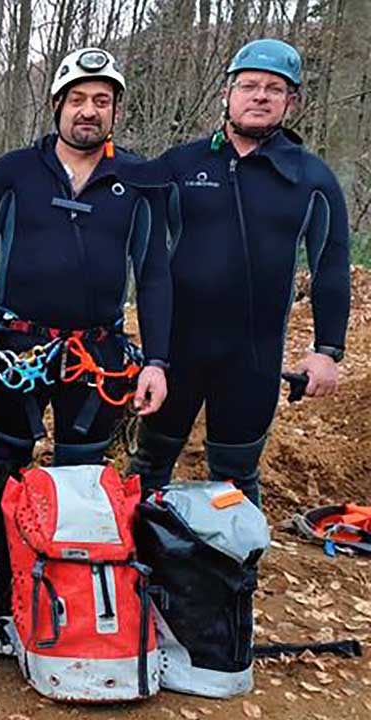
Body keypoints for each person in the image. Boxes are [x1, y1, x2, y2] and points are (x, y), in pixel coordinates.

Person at [0, 47, 171, 621]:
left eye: (101, 101)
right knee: (6, 459)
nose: (88, 111)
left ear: (116, 111)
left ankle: (70, 584)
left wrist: (157, 361)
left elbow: (154, 274)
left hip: (97, 354)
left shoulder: (140, 179)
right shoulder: (13, 172)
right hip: (15, 345)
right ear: (57, 106)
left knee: (82, 470)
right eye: (77, 99)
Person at [130, 38, 350, 506]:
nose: (260, 96)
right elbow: (116, 213)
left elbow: (331, 265)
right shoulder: (181, 164)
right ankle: (136, 573)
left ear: (293, 102)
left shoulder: (311, 179)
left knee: (235, 478)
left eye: (275, 88)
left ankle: (233, 577)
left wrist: (327, 350)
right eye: (249, 85)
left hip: (252, 357)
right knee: (149, 467)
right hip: (175, 351)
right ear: (227, 94)